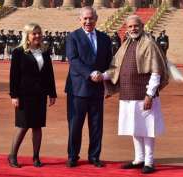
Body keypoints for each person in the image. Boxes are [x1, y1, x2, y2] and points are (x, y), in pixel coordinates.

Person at [103, 15, 169, 174]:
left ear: (142, 26)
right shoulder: (126, 44)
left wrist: (150, 94)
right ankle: (139, 159)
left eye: (136, 26)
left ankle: (149, 161)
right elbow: (116, 68)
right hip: (128, 93)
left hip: (144, 94)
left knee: (147, 129)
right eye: (130, 26)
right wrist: (102, 76)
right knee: (135, 127)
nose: (133, 29)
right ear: (126, 28)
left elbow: (156, 71)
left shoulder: (149, 44)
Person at [65, 6, 112, 168]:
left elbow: (108, 62)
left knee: (96, 125)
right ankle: (72, 156)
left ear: (96, 19)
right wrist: (90, 73)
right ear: (80, 19)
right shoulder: (73, 37)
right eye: (85, 18)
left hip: (97, 88)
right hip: (78, 88)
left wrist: (106, 82)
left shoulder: (105, 38)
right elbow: (73, 60)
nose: (88, 21)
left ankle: (94, 156)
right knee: (75, 125)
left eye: (91, 18)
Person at [8, 23, 57, 168]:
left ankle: (36, 157)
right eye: (34, 33)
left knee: (37, 126)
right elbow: (14, 76)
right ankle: (12, 156)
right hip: (24, 95)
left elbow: (49, 74)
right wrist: (14, 95)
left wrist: (52, 93)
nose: (37, 36)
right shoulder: (18, 52)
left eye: (39, 33)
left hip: (40, 94)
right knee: (23, 126)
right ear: (27, 35)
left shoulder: (44, 51)